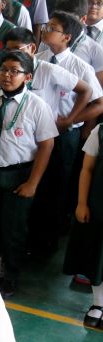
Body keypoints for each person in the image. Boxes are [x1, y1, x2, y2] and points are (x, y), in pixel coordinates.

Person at [0, 50, 57, 297]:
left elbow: (46, 145)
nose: (7, 75)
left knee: (14, 229)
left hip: (19, 176)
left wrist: (33, 183)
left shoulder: (37, 106)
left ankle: (10, 276)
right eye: (4, 69)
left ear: (27, 77)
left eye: (14, 71)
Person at [64, 121, 103, 329]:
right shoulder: (101, 131)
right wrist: (81, 203)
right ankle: (98, 304)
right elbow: (87, 169)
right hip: (99, 208)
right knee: (97, 259)